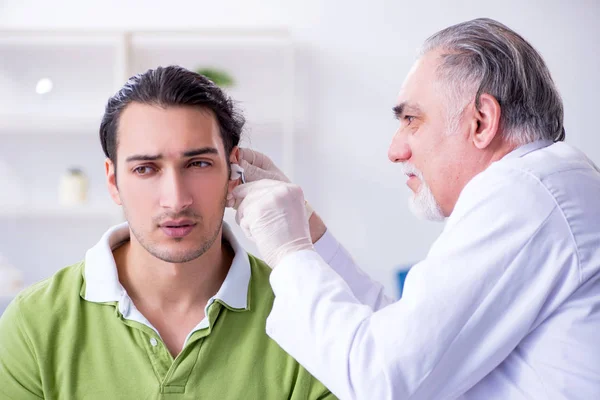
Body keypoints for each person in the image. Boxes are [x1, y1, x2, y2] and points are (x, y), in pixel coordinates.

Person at [231, 18, 600, 399]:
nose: (395, 151)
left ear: (482, 122)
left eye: (412, 119)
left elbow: (382, 380)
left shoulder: (524, 193)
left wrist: (289, 253)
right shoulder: (546, 187)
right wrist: (309, 231)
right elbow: (401, 338)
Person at [0, 66, 335, 400]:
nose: (176, 200)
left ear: (234, 171)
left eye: (199, 164)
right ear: (113, 181)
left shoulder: (304, 315)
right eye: (145, 169)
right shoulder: (35, 323)